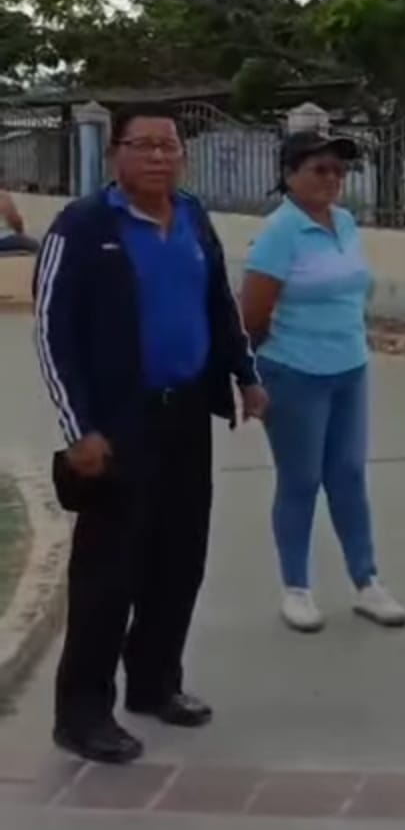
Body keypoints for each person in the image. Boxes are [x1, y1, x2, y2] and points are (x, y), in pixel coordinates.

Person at [33, 103, 267, 766]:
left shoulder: (192, 216)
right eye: (144, 145)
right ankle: (82, 714)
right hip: (118, 425)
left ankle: (155, 682)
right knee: (108, 572)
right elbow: (51, 332)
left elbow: (219, 306)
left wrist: (246, 376)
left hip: (187, 414)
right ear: (117, 154)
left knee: (178, 558)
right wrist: (80, 428)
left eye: (170, 146)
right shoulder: (82, 226)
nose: (159, 156)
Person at [240, 130, 405, 634]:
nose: (332, 179)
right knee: (301, 480)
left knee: (349, 475)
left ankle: (367, 582)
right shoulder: (280, 233)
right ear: (290, 175)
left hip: (349, 368)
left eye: (338, 170)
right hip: (293, 373)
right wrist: (253, 377)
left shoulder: (345, 222)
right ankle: (297, 589)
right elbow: (252, 315)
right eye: (319, 169)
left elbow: (353, 293)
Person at [0, 187, 39, 253]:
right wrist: (21, 233)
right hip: (4, 240)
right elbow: (15, 221)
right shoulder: (3, 196)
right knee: (35, 244)